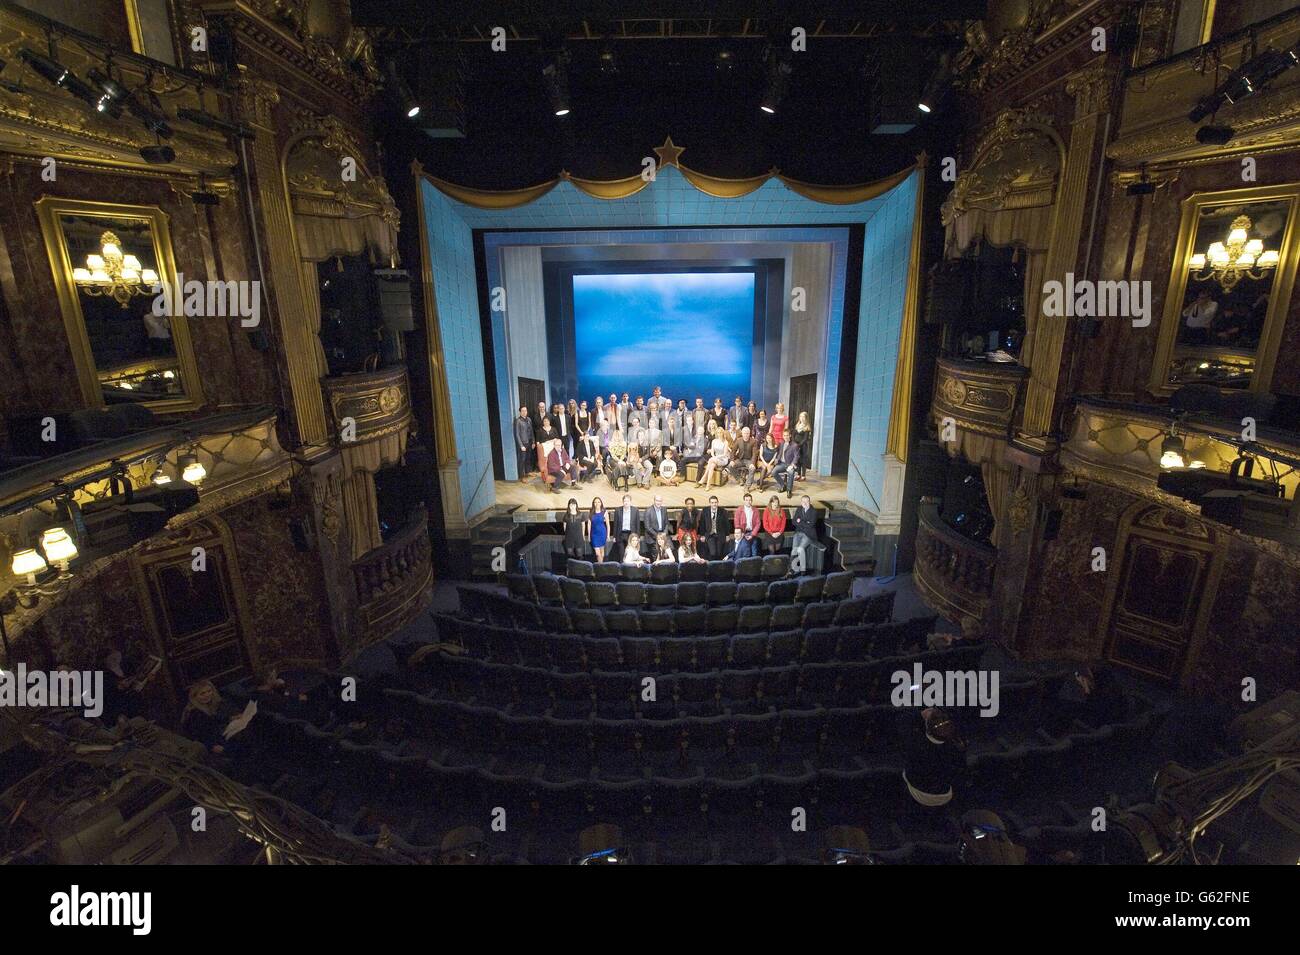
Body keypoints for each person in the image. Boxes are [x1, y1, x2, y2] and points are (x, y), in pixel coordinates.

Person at [899, 707, 966, 809]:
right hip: (944, 794)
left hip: (917, 792)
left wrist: (920, 715)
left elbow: (902, 722)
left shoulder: (916, 743)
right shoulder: (957, 747)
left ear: (928, 729)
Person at [697, 422, 730, 488]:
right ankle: (708, 484)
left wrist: (716, 457)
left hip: (723, 459)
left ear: (723, 433)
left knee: (711, 460)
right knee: (712, 466)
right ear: (716, 433)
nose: (719, 434)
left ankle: (703, 478)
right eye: (718, 432)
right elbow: (712, 451)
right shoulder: (714, 441)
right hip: (715, 458)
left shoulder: (725, 442)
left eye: (720, 432)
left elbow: (725, 454)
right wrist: (714, 457)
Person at [699, 495, 729, 559]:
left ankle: (717, 566)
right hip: (709, 535)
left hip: (720, 534)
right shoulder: (705, 510)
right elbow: (702, 523)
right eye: (712, 503)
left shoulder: (723, 511)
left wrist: (727, 535)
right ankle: (712, 566)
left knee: (719, 553)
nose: (714, 504)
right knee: (713, 552)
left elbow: (726, 524)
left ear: (718, 502)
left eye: (715, 502)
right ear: (710, 503)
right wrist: (702, 535)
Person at [791, 494, 817, 567]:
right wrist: (805, 522)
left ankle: (803, 569)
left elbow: (810, 525)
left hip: (808, 534)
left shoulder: (814, 511)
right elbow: (793, 522)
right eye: (803, 502)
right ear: (801, 502)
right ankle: (792, 568)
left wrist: (800, 521)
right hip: (798, 532)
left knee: (800, 549)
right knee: (794, 550)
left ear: (810, 502)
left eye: (807, 502)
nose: (805, 503)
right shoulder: (799, 509)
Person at [773, 432, 800, 498]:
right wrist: (777, 459)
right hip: (782, 463)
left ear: (790, 435)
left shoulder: (794, 445)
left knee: (791, 473)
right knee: (774, 472)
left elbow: (797, 456)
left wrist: (792, 464)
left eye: (787, 435)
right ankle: (783, 485)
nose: (786, 437)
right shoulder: (781, 443)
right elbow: (779, 452)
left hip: (790, 464)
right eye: (784, 435)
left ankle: (789, 490)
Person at [513, 405, 535, 482]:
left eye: (525, 410)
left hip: (529, 442)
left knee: (528, 458)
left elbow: (532, 431)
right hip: (523, 443)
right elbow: (517, 434)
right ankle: (522, 476)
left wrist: (533, 442)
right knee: (522, 460)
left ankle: (528, 471)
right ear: (520, 412)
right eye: (523, 411)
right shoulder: (518, 421)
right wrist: (521, 445)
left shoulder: (529, 419)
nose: (524, 412)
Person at [792, 411, 813, 479]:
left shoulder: (807, 427)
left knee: (803, 460)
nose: (802, 418)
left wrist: (799, 445)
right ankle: (798, 474)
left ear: (806, 418)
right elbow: (793, 435)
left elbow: (805, 438)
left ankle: (803, 475)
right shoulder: (797, 425)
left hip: (803, 446)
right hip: (796, 445)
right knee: (797, 459)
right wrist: (794, 442)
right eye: (800, 416)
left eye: (803, 416)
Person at [589, 497, 609, 563]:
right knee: (598, 554)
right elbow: (589, 525)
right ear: (593, 503)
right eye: (595, 502)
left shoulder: (604, 512)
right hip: (594, 534)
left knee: (602, 552)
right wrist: (589, 535)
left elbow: (608, 525)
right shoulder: (591, 512)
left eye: (598, 502)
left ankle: (600, 566)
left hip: (602, 533)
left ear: (601, 503)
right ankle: (600, 567)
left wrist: (608, 535)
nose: (597, 503)